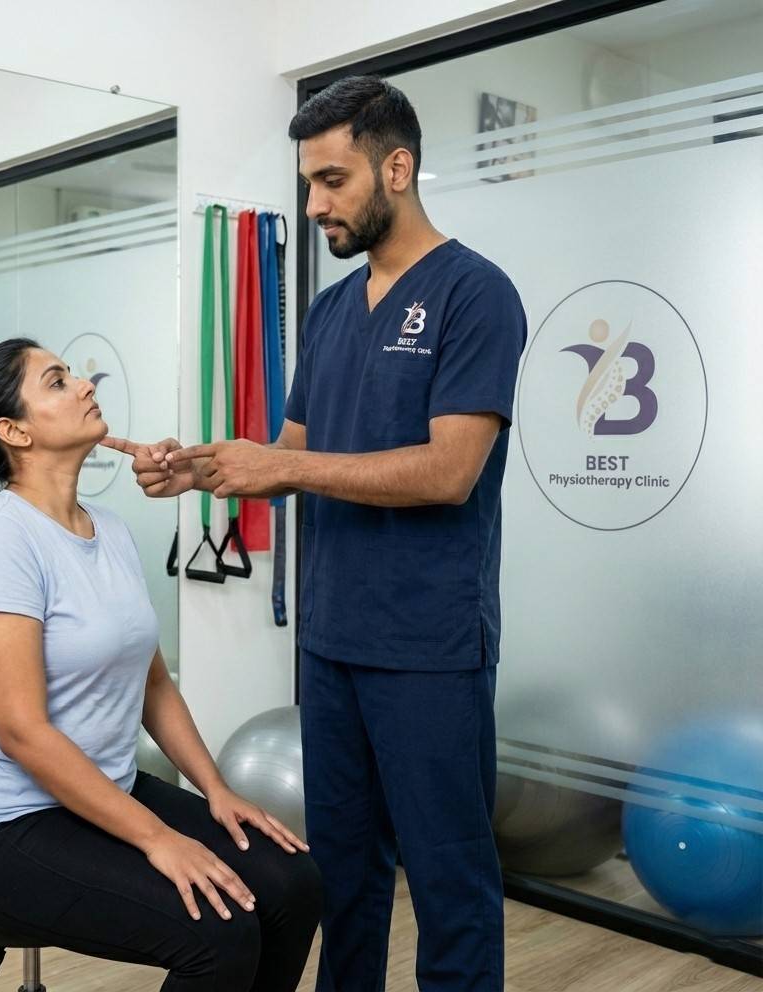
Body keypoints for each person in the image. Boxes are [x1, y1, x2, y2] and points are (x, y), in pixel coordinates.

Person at [105, 76, 527, 992]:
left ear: (399, 167)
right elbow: (295, 447)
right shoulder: (333, 309)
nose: (315, 204)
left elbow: (450, 470)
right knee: (346, 877)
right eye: (309, 182)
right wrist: (207, 468)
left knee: (451, 884)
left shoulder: (476, 295)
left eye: (333, 181)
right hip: (331, 643)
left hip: (428, 646)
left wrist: (284, 469)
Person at [0, 338, 321, 992]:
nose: (84, 385)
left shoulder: (106, 528)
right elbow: (22, 732)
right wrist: (157, 839)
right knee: (218, 932)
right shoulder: (0, 542)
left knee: (292, 885)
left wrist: (215, 792)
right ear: (13, 430)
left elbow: (154, 684)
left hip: (102, 791)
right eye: (56, 381)